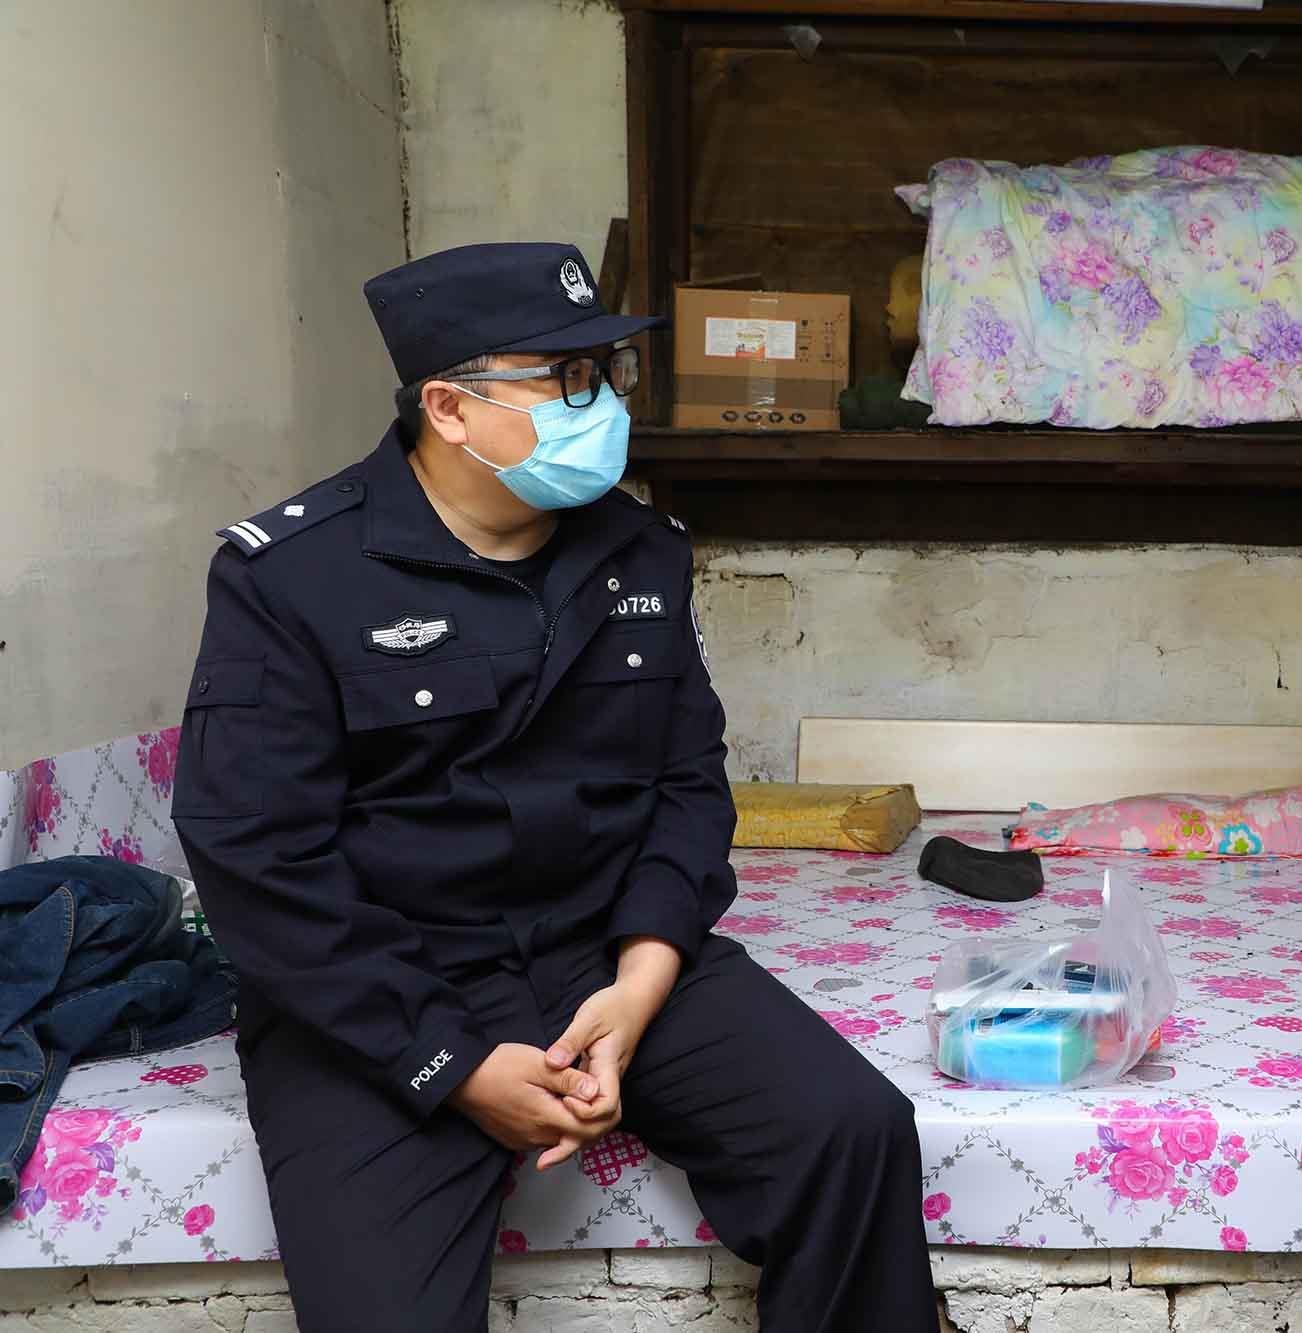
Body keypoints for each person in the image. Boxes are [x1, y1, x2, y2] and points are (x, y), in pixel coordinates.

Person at [170, 243, 934, 1333]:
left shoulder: (642, 551)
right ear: (449, 408)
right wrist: (453, 1063)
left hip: (599, 950)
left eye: (604, 375)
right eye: (564, 379)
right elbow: (257, 855)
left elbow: (686, 786)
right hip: (384, 984)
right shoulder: (292, 575)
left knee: (851, 1130)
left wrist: (640, 983)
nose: (601, 405)